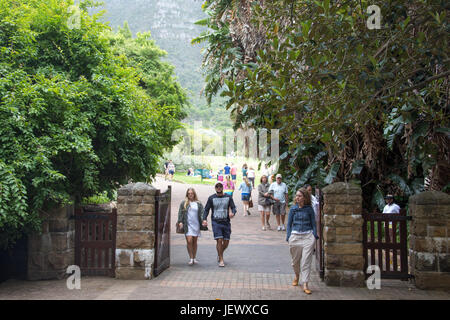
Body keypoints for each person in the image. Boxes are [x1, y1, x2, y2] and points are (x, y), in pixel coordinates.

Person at [286, 188, 318, 295]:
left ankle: (305, 283)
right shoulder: (293, 209)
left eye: (299, 196)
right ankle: (297, 275)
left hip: (308, 236)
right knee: (295, 262)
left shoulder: (309, 209)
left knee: (306, 261)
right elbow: (289, 224)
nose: (297, 198)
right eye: (296, 196)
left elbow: (314, 223)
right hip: (295, 237)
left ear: (304, 197)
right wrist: (289, 237)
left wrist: (314, 235)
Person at [202, 182, 237, 267]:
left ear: (222, 188)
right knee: (219, 240)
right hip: (216, 222)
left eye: (220, 187)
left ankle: (220, 253)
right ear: (215, 188)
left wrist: (233, 213)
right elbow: (206, 209)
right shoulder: (211, 198)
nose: (218, 188)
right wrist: (204, 219)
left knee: (226, 241)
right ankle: (221, 259)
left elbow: (233, 207)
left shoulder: (228, 197)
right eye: (217, 187)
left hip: (226, 222)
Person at [177, 188, 204, 265]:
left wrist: (203, 221)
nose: (190, 195)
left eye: (191, 193)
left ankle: (194, 258)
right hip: (187, 225)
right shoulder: (184, 203)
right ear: (187, 194)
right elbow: (180, 213)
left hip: (196, 224)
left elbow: (202, 213)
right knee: (189, 241)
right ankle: (191, 258)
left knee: (194, 241)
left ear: (194, 194)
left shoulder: (198, 203)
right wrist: (180, 221)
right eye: (189, 193)